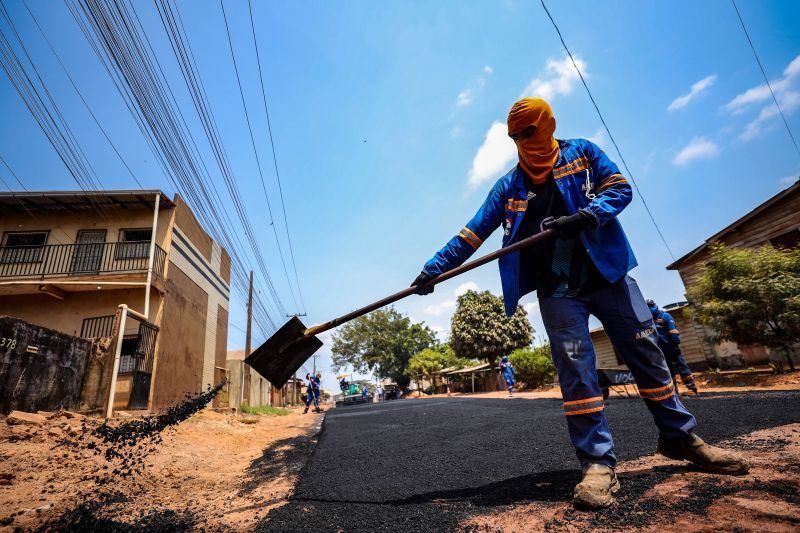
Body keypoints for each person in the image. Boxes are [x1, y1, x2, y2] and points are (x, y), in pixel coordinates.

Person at [410, 97, 748, 509]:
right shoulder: (509, 186)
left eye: (528, 131)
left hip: (609, 277)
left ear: (548, 125)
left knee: (648, 355)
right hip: (559, 292)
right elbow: (471, 233)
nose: (522, 140)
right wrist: (433, 270)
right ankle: (597, 464)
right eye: (514, 135)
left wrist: (588, 215)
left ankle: (682, 439)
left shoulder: (584, 153)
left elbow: (619, 188)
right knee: (577, 373)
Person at [647, 300, 698, 395]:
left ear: (655, 306)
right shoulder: (649, 320)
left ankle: (692, 389)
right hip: (661, 351)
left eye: (650, 307)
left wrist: (675, 343)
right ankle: (674, 392)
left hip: (672, 347)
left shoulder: (665, 316)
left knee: (682, 367)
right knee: (668, 371)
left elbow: (673, 330)